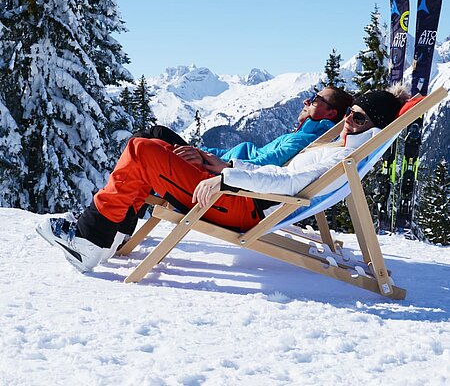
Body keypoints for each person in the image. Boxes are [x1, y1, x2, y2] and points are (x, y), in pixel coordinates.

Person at [36, 87, 408, 273]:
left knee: (142, 151)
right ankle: (108, 230)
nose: (349, 121)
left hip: (240, 204)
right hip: (242, 194)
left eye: (358, 118)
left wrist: (226, 177)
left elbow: (289, 184)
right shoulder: (340, 145)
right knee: (149, 147)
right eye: (351, 114)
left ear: (375, 126)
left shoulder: (340, 155)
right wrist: (226, 171)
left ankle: (90, 238)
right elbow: (280, 173)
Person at [135, 86, 354, 169]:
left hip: (219, 176)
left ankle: (114, 229)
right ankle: (119, 226)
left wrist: (208, 160)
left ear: (331, 113)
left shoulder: (302, 140)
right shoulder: (304, 135)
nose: (307, 101)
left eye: (315, 99)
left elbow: (261, 166)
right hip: (218, 166)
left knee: (147, 143)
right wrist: (204, 152)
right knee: (152, 137)